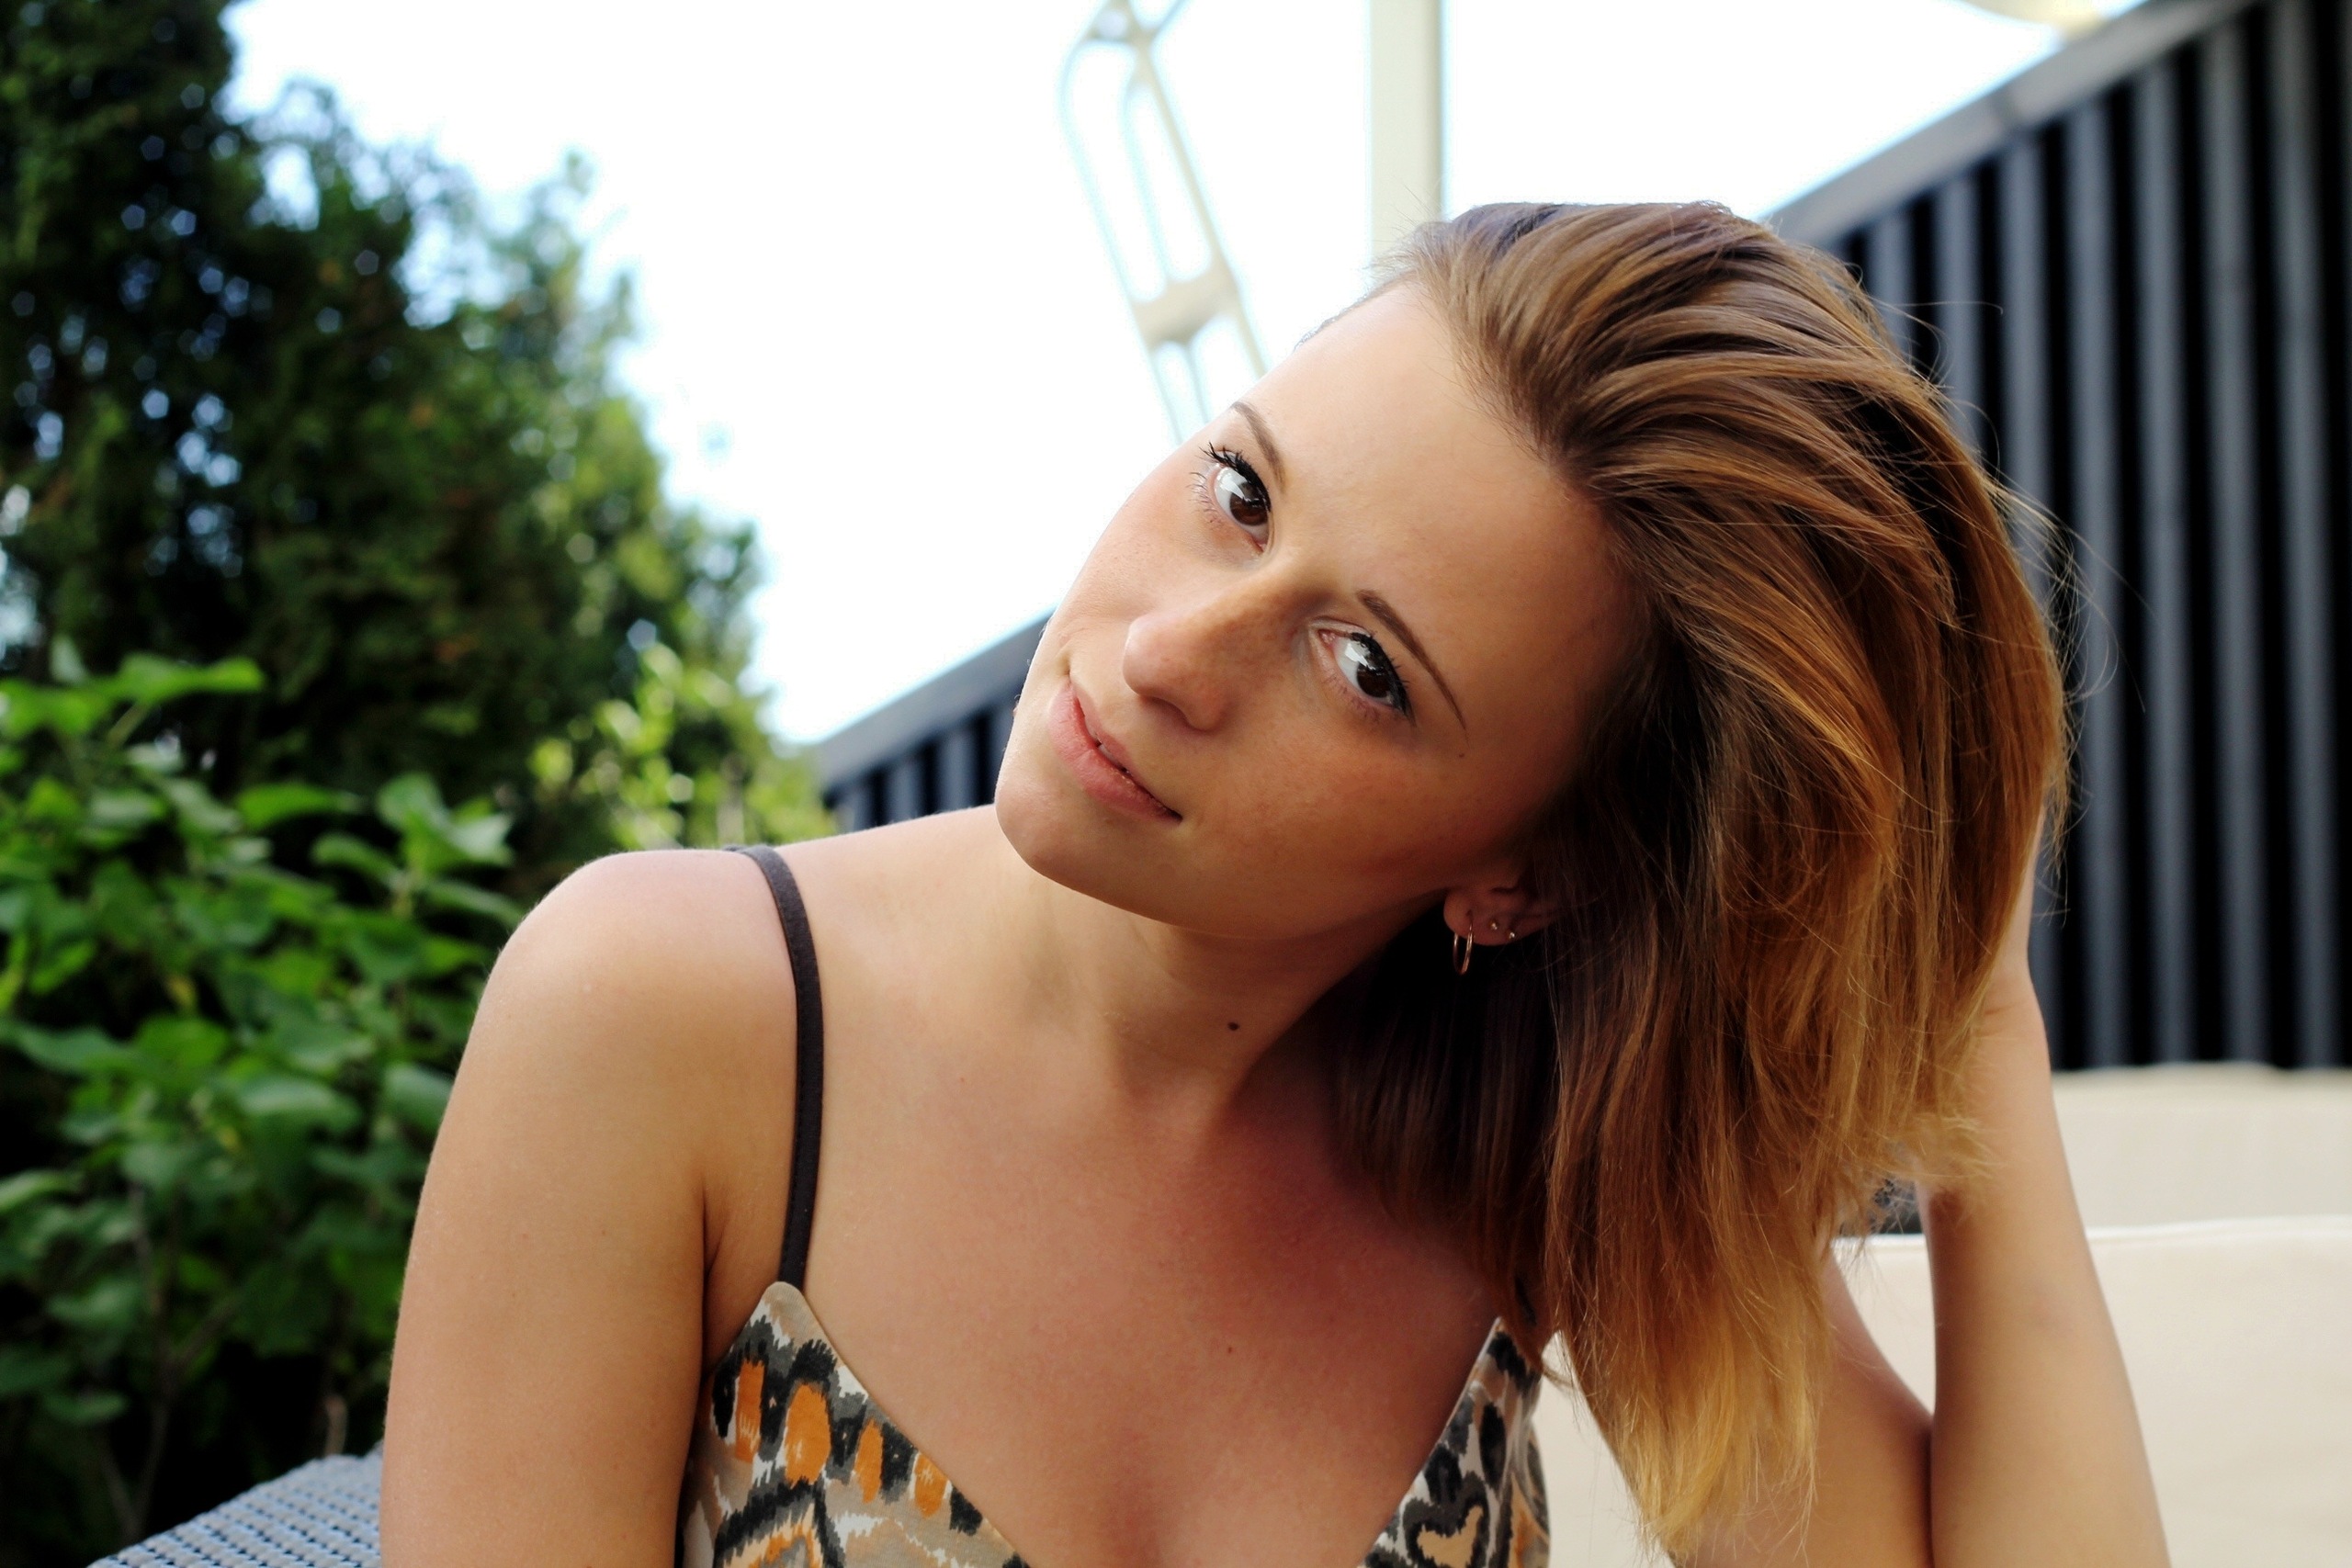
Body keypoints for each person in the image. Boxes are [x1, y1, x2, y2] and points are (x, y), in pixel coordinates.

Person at [380, 202, 2168, 1568]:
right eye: (1239, 489)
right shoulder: (668, 1017)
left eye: (1366, 668)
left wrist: (1974, 1004)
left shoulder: (1531, 1160)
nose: (1167, 650)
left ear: (1525, 875)